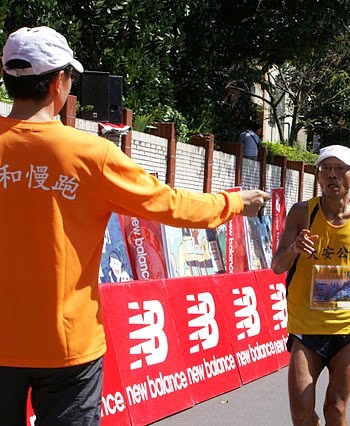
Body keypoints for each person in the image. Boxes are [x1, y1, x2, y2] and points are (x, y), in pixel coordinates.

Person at [0, 26, 271, 426]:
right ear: (59, 81)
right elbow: (168, 204)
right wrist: (233, 203)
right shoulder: (91, 154)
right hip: (68, 344)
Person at [271, 145, 350, 425]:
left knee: (336, 409)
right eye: (326, 169)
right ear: (317, 177)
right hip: (306, 326)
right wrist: (294, 248)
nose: (332, 175)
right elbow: (277, 265)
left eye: (340, 169)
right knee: (302, 414)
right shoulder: (302, 213)